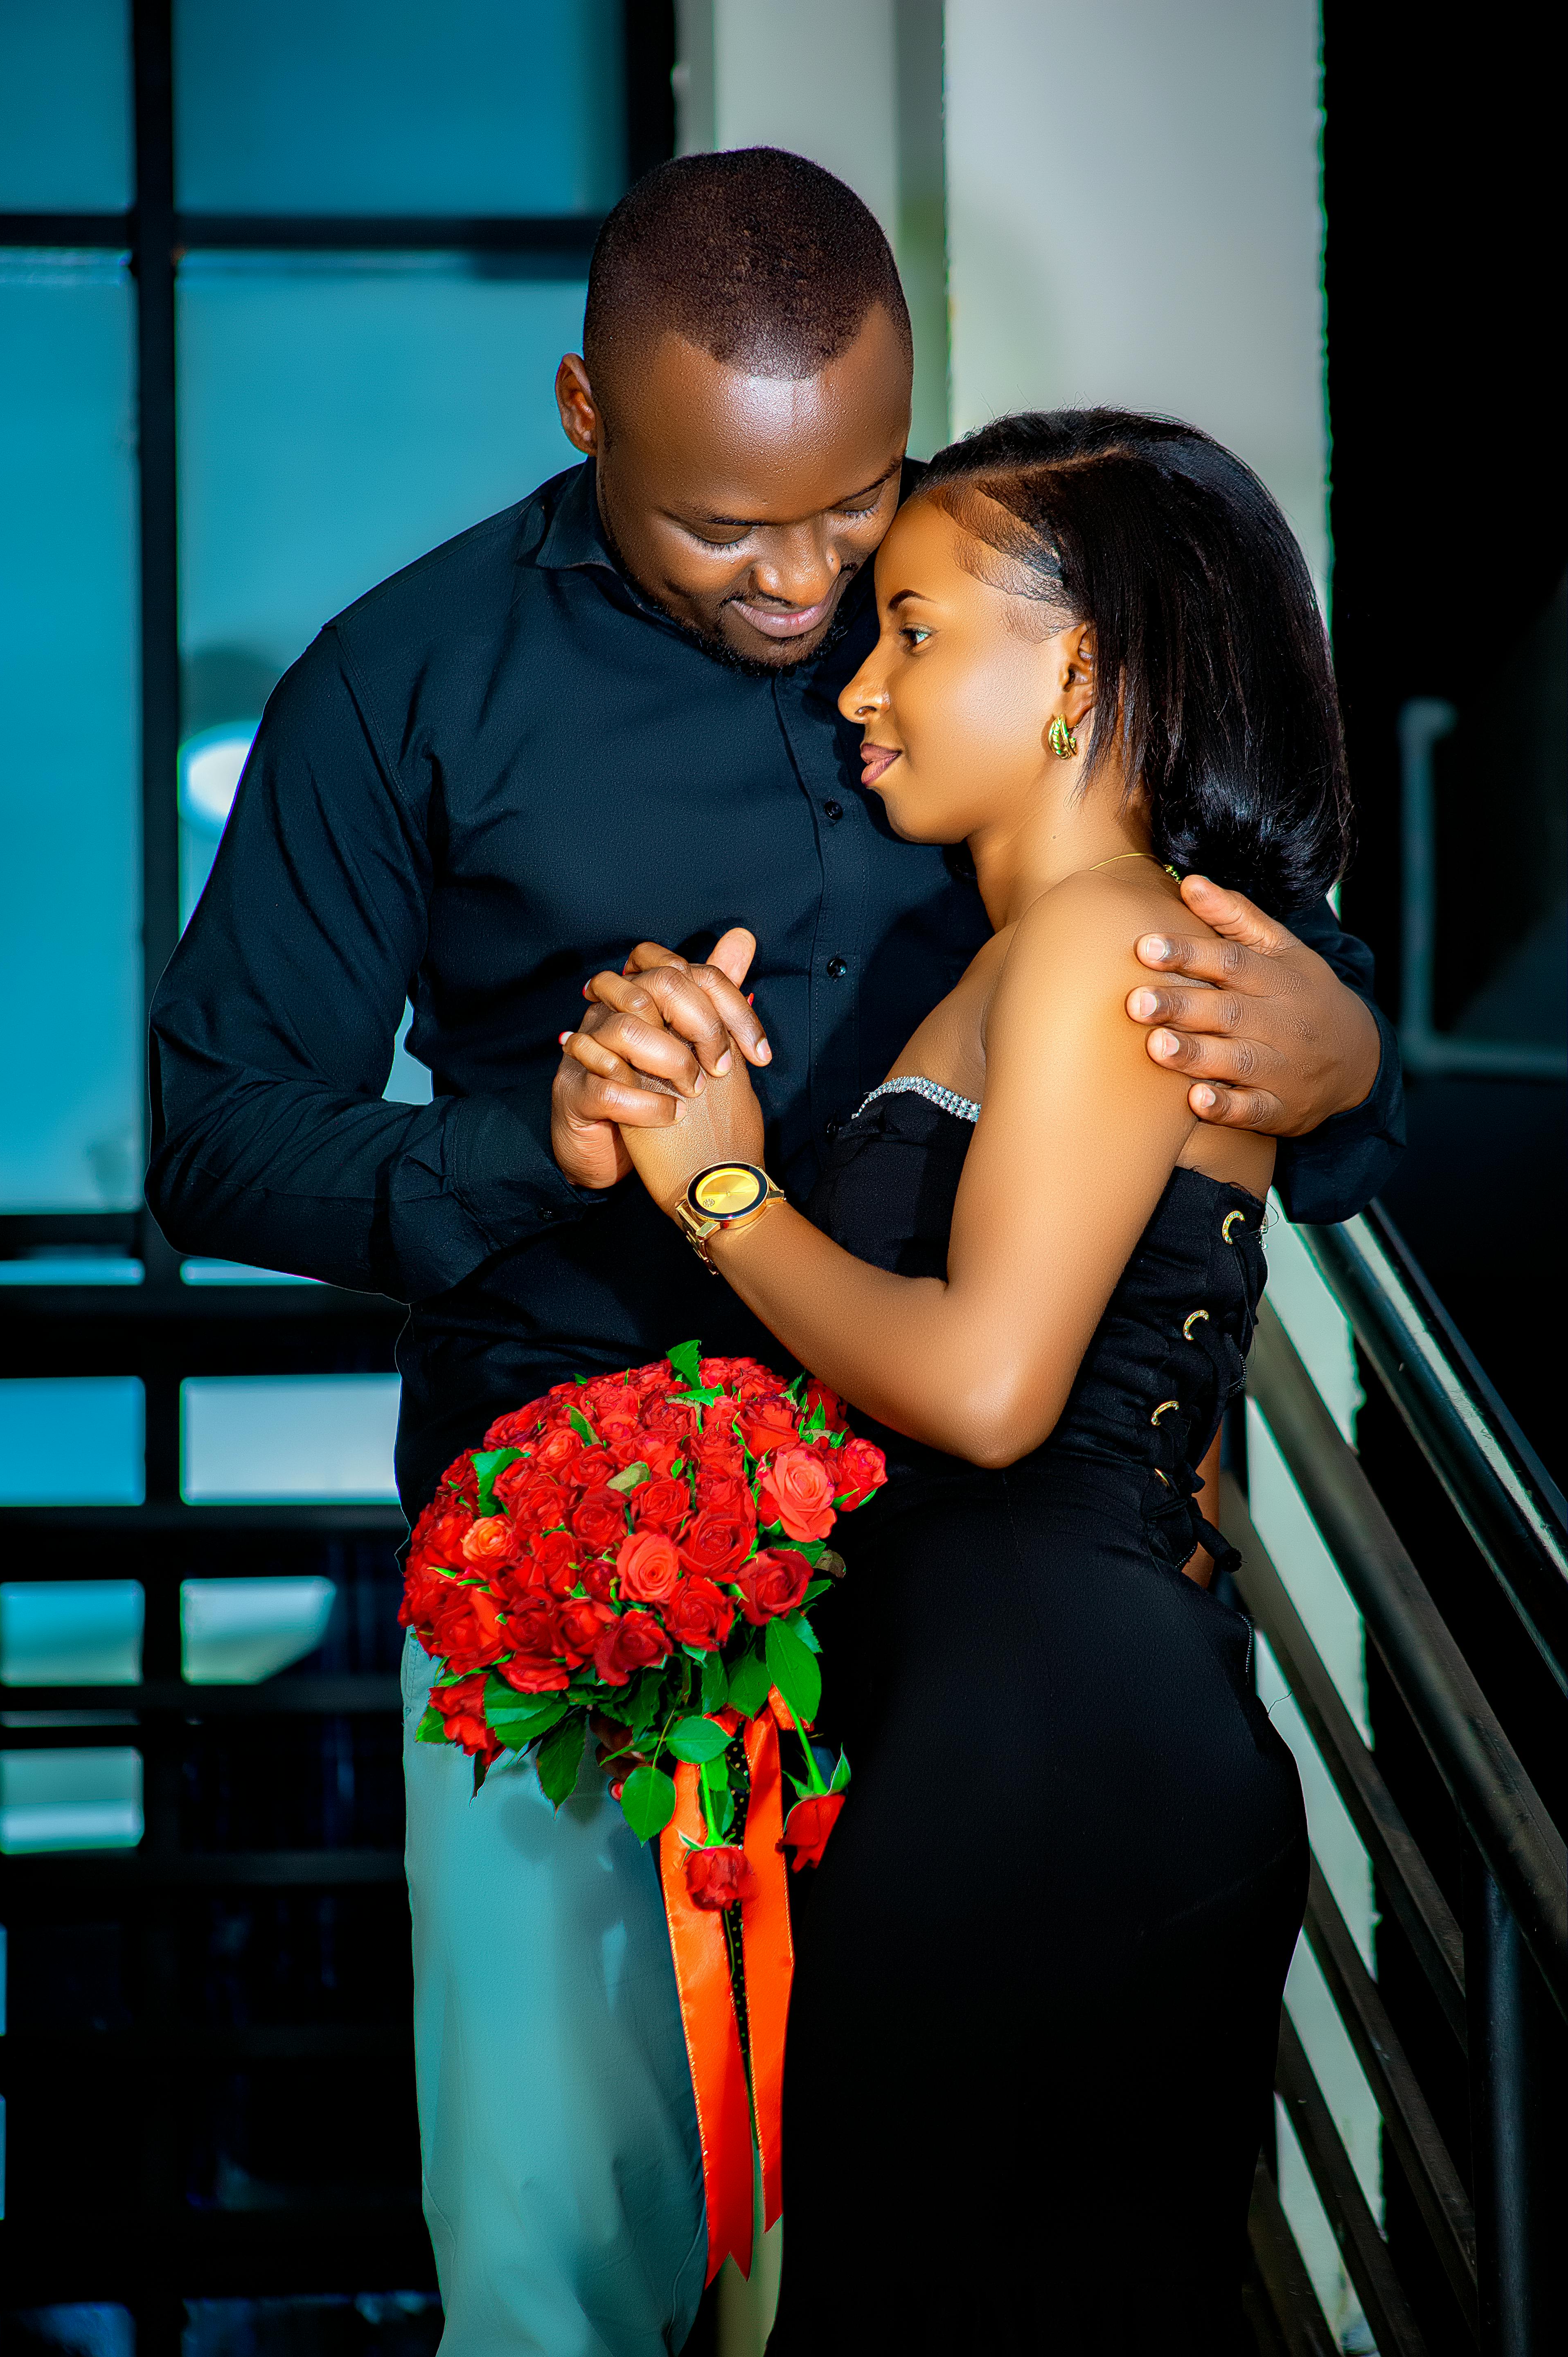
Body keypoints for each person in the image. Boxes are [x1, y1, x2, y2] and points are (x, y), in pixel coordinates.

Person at [146, 149, 1399, 2357]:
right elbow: (221, 1142)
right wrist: (542, 1141)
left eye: (861, 514)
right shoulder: (401, 684)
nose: (814, 592)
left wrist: (1350, 1044)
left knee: (921, 2250)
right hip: (584, 1560)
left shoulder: (978, 619)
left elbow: (1169, 908)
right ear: (582, 408)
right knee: (571, 2262)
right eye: (736, 531)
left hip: (974, 1595)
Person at [572, 408, 1340, 2352]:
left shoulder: (1098, 940)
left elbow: (994, 1391)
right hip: (1015, 1743)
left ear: (1079, 666)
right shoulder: (1037, 952)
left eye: (913, 628)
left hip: (1050, 1765)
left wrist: (724, 1186)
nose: (861, 682)